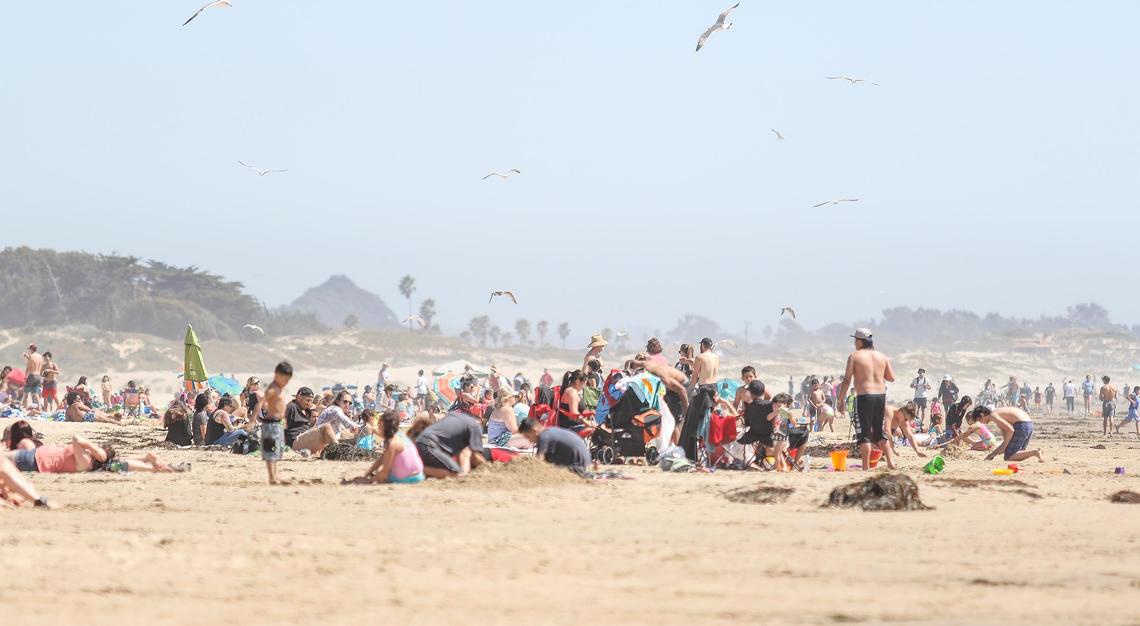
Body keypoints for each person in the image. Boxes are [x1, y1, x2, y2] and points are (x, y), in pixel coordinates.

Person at [837, 328, 895, 472]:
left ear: (860, 341)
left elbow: (846, 380)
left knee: (864, 434)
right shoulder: (882, 356)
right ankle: (890, 463)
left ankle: (865, 467)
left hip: (865, 396)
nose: (854, 343)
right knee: (878, 432)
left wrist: (840, 399)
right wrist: (877, 372)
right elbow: (891, 378)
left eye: (855, 340)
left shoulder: (855, 356)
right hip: (880, 397)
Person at [4, 435, 183, 473]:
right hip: (36, 456)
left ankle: (167, 469)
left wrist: (94, 449)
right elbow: (128, 462)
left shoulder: (87, 463)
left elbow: (76, 439)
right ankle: (170, 468)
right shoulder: (107, 463)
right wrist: (150, 459)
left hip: (32, 461)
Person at [346, 411, 425, 484]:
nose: (378, 427)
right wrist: (367, 474)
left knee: (384, 475)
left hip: (408, 478)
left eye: (379, 425)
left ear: (385, 427)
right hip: (419, 474)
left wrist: (368, 481)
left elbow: (384, 473)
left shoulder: (392, 444)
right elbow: (382, 459)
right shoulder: (400, 435)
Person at [678, 338, 721, 461]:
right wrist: (689, 362)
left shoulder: (699, 357)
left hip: (703, 391)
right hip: (714, 389)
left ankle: (689, 455)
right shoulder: (716, 357)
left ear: (702, 345)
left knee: (690, 423)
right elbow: (706, 370)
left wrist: (688, 390)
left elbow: (695, 377)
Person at [251, 362, 293, 485]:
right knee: (270, 451)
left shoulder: (280, 389)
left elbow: (280, 407)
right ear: (277, 375)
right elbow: (260, 403)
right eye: (284, 379)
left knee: (277, 451)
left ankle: (275, 475)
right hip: (270, 424)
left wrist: (283, 419)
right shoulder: (273, 388)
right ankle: (271, 477)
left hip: (278, 423)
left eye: (288, 380)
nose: (286, 382)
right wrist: (252, 420)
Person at [414, 411, 485, 479]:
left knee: (445, 467)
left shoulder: (454, 416)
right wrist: (487, 466)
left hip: (421, 442)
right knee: (456, 473)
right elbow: (475, 456)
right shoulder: (475, 425)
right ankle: (418, 469)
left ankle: (419, 468)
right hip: (430, 445)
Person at [293, 390, 359, 457]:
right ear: (338, 401)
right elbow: (345, 420)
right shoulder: (335, 409)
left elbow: (344, 430)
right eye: (345, 401)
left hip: (310, 444)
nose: (347, 404)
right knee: (326, 427)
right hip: (301, 442)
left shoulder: (337, 413)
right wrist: (356, 426)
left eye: (350, 403)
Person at [518, 418, 593, 477]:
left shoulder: (544, 436)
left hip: (578, 468)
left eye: (528, 437)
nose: (530, 441)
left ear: (533, 431)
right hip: (585, 465)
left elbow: (539, 462)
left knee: (546, 472)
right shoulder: (551, 431)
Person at [970, 406, 1044, 463]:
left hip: (1021, 425)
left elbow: (1010, 430)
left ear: (982, 415)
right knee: (1018, 453)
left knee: (1008, 457)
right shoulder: (998, 414)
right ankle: (1036, 452)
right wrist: (993, 454)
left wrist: (1004, 446)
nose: (981, 423)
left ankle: (1035, 452)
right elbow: (1005, 438)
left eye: (979, 420)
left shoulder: (993, 415)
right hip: (1029, 424)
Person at [22, 344, 44, 410]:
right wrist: (27, 357)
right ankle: (39, 407)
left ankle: (25, 409)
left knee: (26, 394)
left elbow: (28, 367)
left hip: (32, 375)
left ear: (31, 349)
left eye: (29, 349)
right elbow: (35, 363)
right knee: (36, 393)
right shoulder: (40, 356)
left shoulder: (31, 356)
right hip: (38, 376)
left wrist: (25, 377)